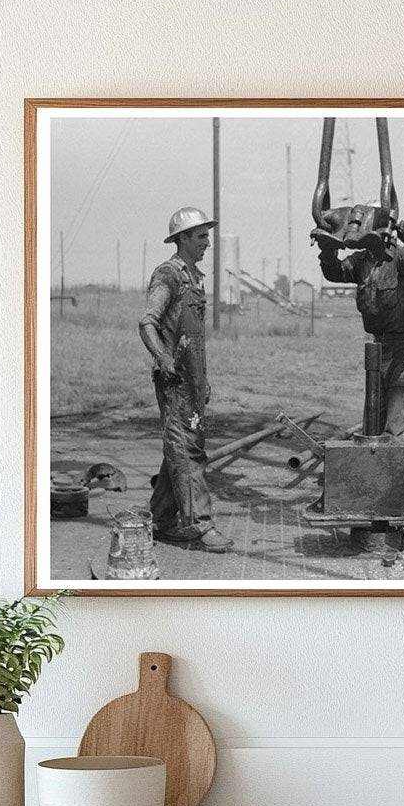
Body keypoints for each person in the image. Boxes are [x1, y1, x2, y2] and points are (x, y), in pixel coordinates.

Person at [138, 206, 233, 553]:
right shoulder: (168, 276)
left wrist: (201, 379)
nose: (208, 242)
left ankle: (161, 519)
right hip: (174, 383)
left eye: (208, 235)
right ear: (182, 239)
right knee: (188, 451)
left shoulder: (195, 277)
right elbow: (147, 322)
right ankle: (200, 525)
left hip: (192, 382)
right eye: (201, 236)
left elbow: (193, 337)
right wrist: (163, 359)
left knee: (179, 448)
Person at [316, 220, 404, 441]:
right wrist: (327, 248)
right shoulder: (361, 260)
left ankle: (399, 468)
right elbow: (334, 273)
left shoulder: (401, 257)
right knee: (373, 420)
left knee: (398, 423)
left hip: (402, 349)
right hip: (376, 348)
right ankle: (373, 469)